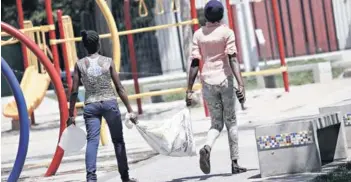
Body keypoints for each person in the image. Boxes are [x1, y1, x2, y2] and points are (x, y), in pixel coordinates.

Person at [186, 0, 247, 175]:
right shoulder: (227, 33)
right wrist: (241, 84)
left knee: (216, 123)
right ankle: (235, 163)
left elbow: (195, 63)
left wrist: (189, 90)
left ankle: (207, 147)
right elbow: (233, 59)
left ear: (205, 15)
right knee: (231, 122)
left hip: (207, 83)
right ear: (221, 15)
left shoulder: (198, 35)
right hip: (225, 81)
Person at [67, 30, 138, 182]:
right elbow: (119, 88)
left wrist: (71, 114)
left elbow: (73, 91)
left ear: (85, 46)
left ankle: (91, 178)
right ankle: (125, 177)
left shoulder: (79, 64)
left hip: (91, 105)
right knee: (118, 140)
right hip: (109, 103)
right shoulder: (108, 61)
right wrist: (130, 110)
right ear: (98, 43)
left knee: (92, 142)